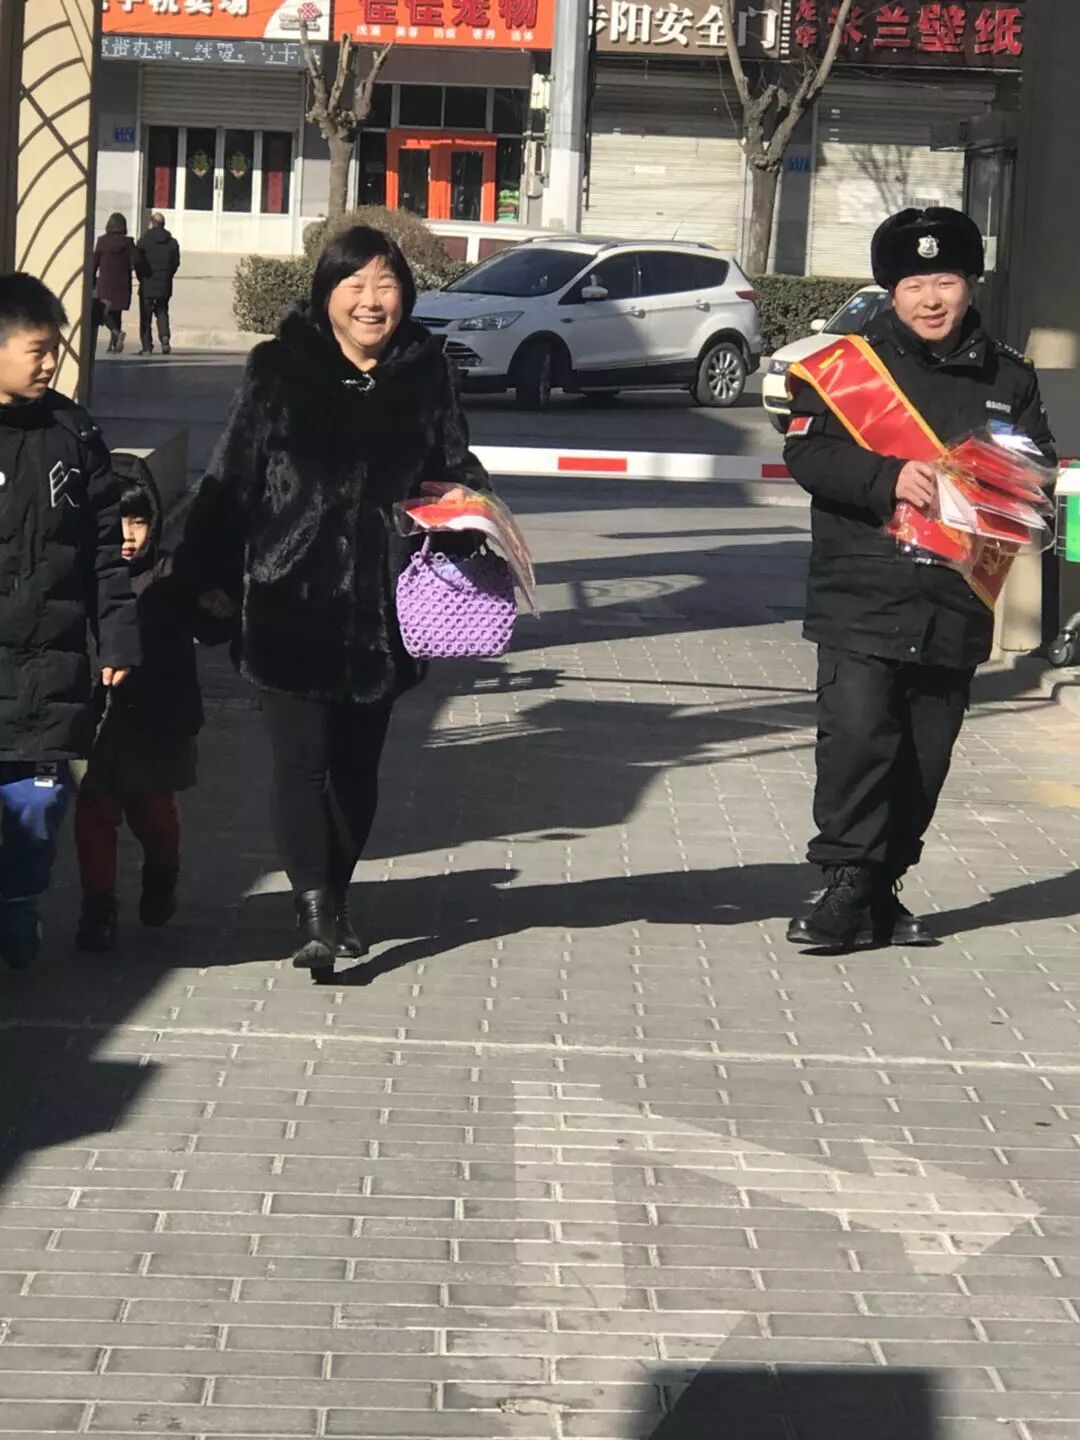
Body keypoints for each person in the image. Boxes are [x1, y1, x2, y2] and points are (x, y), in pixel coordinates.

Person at [180, 225, 489, 979]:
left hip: (383, 612)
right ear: (326, 295)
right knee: (302, 764)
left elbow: (455, 467)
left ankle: (337, 896)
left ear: (405, 293)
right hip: (287, 599)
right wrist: (204, 575)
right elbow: (231, 477)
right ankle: (315, 910)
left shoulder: (428, 373)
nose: (371, 301)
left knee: (355, 769)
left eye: (385, 284)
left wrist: (468, 511)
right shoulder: (278, 368)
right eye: (355, 285)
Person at [784, 208, 1056, 953]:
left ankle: (881, 889)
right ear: (891, 291)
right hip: (862, 590)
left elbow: (1037, 465)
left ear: (970, 284)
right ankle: (845, 884)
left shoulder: (1009, 377)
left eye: (946, 281)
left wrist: (1010, 483)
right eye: (914, 284)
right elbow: (810, 456)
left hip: (955, 598)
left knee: (923, 757)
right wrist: (890, 477)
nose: (931, 299)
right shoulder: (847, 369)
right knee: (857, 743)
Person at [0, 273, 140, 968]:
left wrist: (117, 639)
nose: (51, 362)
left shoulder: (74, 434)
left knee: (37, 809)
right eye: (37, 349)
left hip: (50, 664)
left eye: (55, 348)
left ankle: (18, 911)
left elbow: (105, 555)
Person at [73, 460, 231, 952]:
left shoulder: (171, 574)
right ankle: (97, 906)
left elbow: (208, 626)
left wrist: (217, 608)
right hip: (96, 715)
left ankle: (162, 871)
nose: (128, 535)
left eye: (138, 522)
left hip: (159, 716)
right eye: (117, 522)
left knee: (153, 812)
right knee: (95, 811)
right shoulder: (79, 576)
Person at [93, 213, 140, 354]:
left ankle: (116, 333)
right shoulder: (128, 243)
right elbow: (137, 261)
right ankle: (113, 343)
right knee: (117, 313)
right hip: (122, 283)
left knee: (102, 311)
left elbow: (94, 261)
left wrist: (91, 277)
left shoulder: (102, 241)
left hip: (106, 283)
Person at [136, 211, 180, 357]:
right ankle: (165, 336)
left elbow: (137, 261)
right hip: (164, 284)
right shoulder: (172, 242)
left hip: (147, 283)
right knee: (162, 310)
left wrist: (141, 276)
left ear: (152, 223)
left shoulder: (144, 241)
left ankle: (146, 346)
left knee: (145, 315)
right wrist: (168, 275)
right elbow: (175, 263)